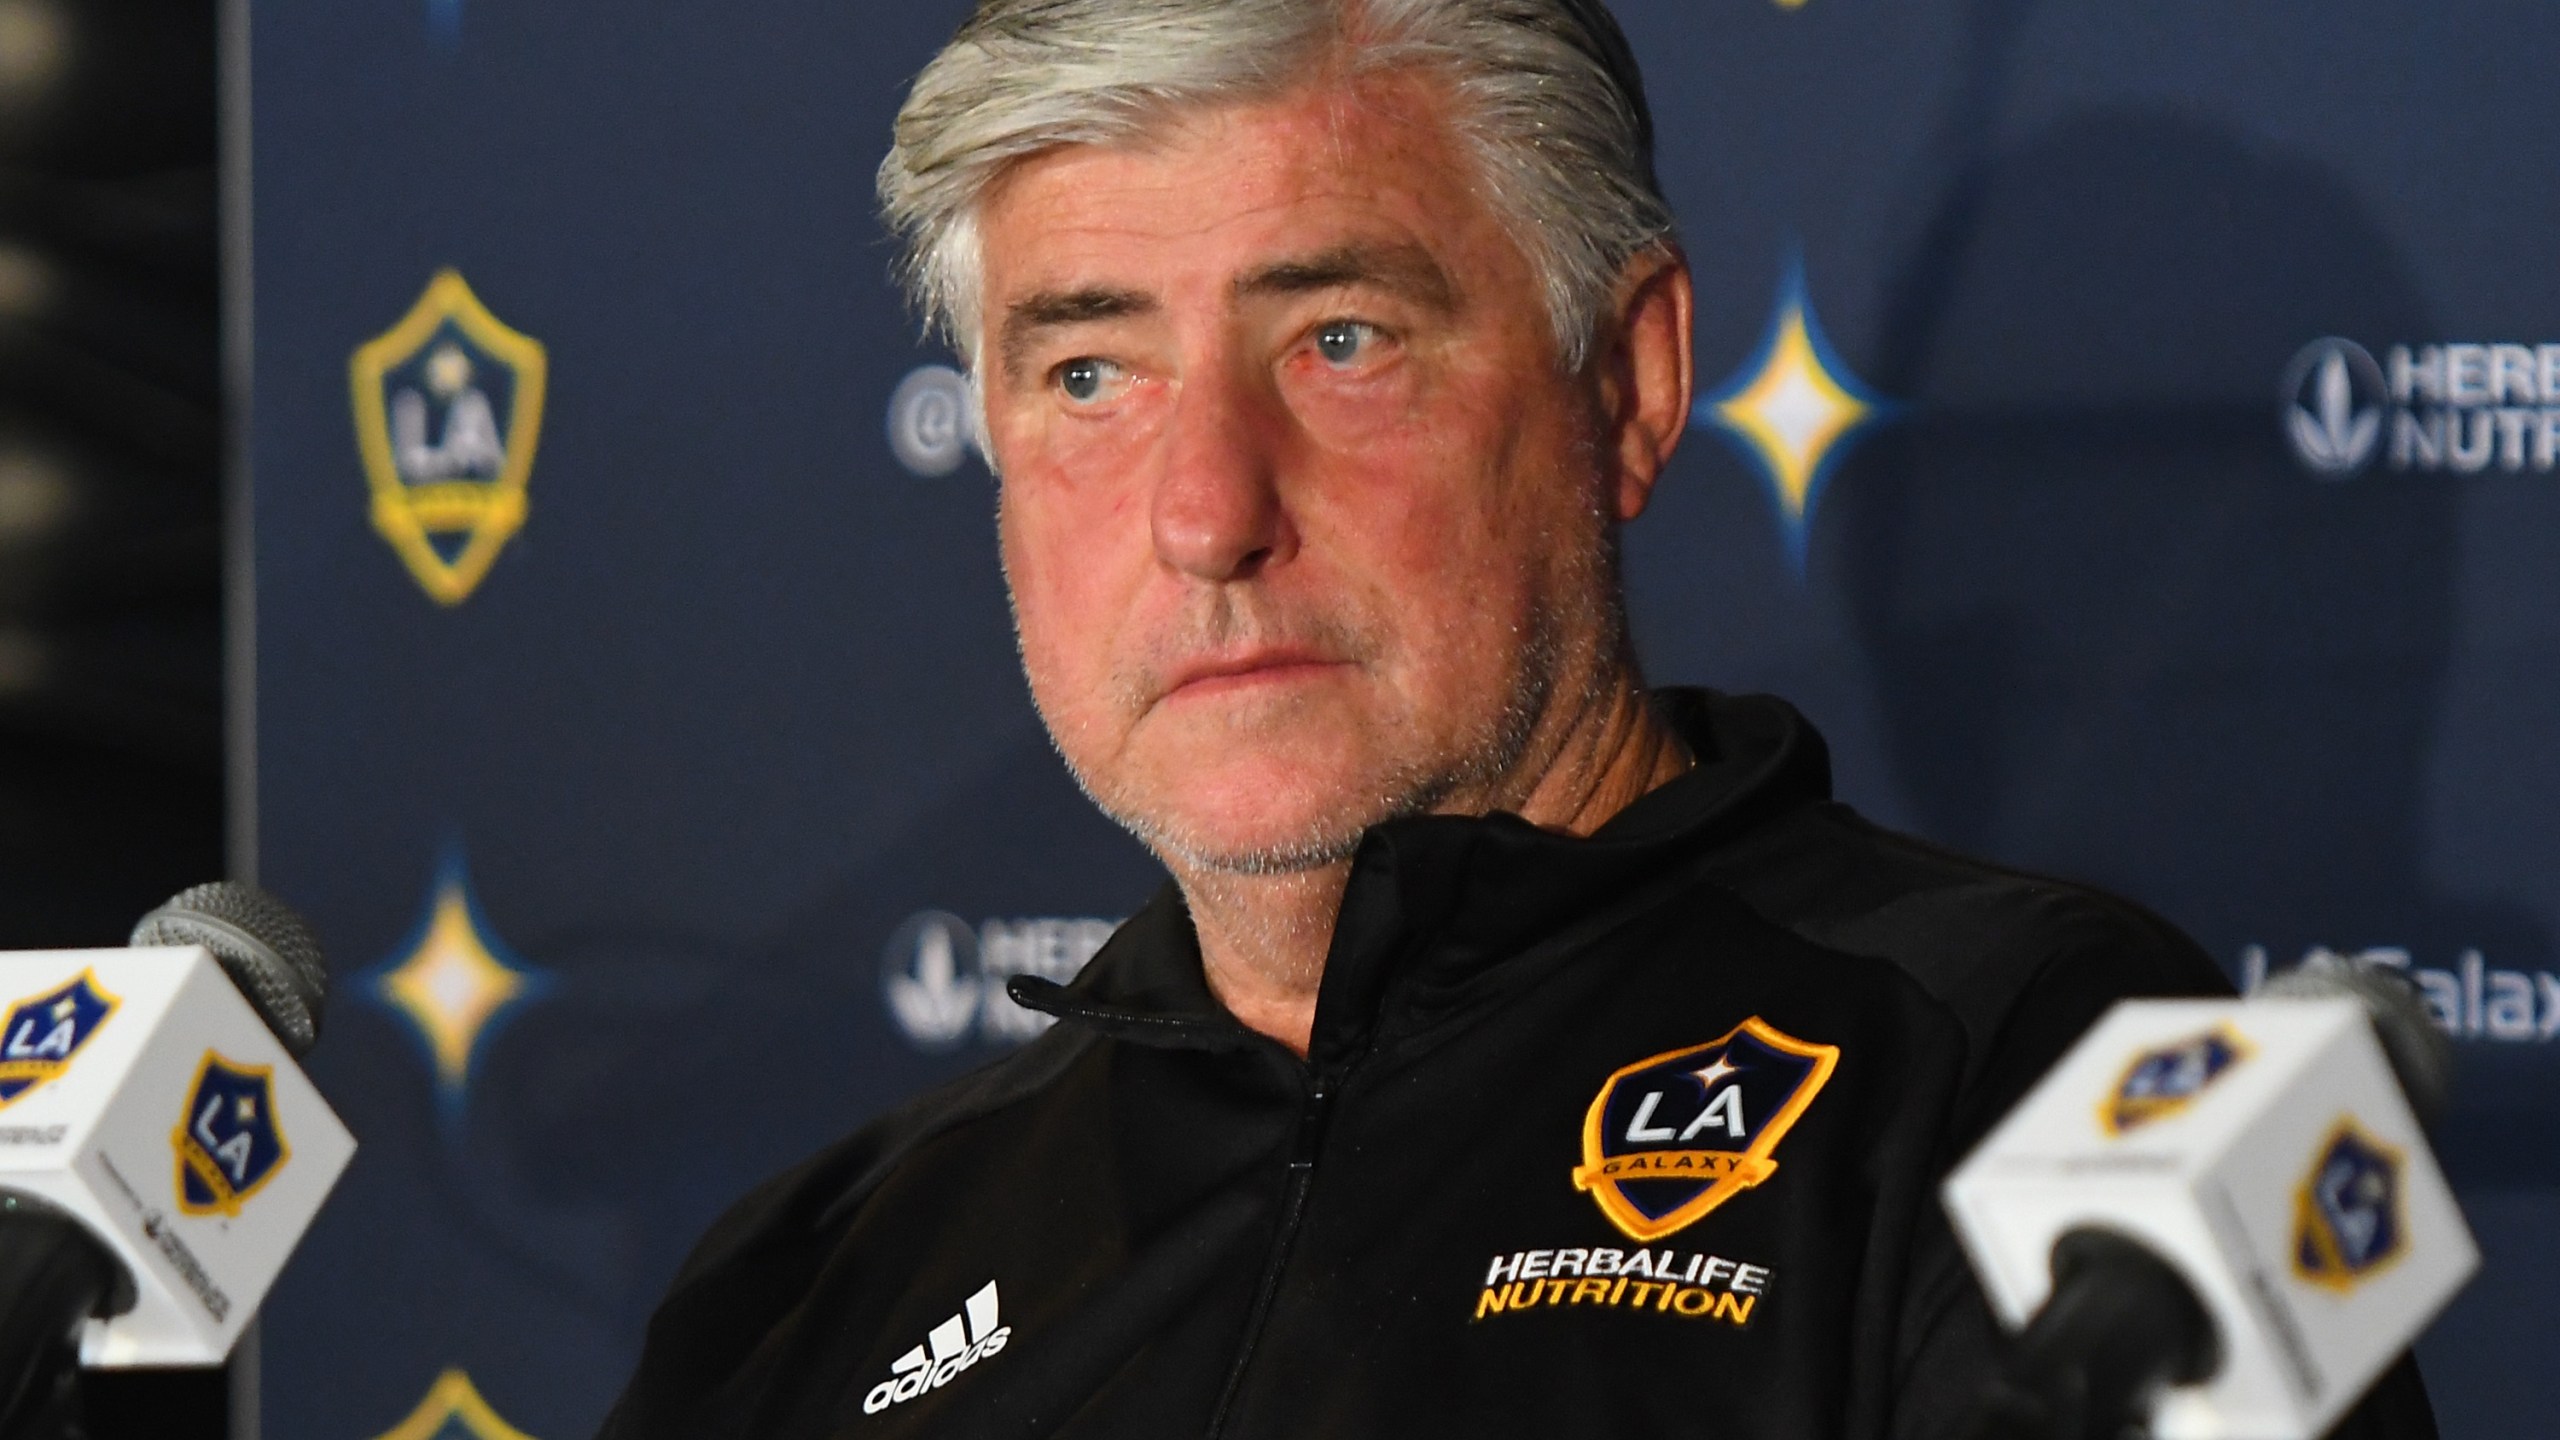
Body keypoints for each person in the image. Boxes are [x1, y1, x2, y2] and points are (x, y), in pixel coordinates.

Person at [598, 1, 2435, 1436]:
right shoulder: (824, 1273)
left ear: (1629, 383)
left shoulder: (2034, 1077)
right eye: (1089, 373)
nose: (1205, 511)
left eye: (1339, 340)